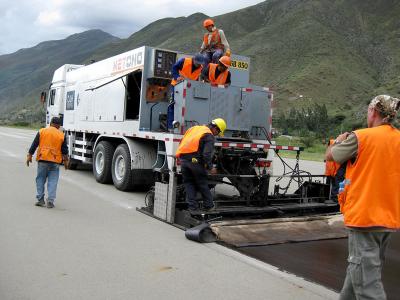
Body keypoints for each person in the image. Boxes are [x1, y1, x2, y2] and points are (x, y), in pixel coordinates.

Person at [325, 95, 400, 300]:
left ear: (374, 112)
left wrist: (337, 142)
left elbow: (330, 156)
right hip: (388, 220)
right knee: (358, 272)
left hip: (365, 218)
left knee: (367, 286)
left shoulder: (362, 137)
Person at [176, 118, 227, 212]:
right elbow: (206, 154)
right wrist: (211, 167)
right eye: (218, 132)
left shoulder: (194, 128)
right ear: (215, 128)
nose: (217, 134)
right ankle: (209, 205)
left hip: (183, 160)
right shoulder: (209, 135)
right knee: (202, 183)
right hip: (195, 162)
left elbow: (182, 142)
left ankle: (192, 208)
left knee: (189, 183)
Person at [27, 117, 69, 208]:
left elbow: (34, 144)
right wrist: (66, 162)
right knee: (53, 181)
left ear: (51, 123)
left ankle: (40, 200)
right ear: (59, 126)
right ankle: (50, 201)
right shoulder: (61, 135)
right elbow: (64, 150)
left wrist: (29, 155)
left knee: (40, 179)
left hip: (43, 159)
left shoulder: (42, 131)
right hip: (55, 162)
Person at [167, 54, 205, 130]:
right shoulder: (184, 61)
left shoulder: (200, 67)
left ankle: (185, 128)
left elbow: (196, 77)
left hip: (188, 88)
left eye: (200, 63)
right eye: (197, 63)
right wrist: (177, 77)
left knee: (187, 107)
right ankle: (171, 127)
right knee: (173, 106)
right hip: (176, 85)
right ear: (194, 59)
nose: (198, 65)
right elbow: (174, 68)